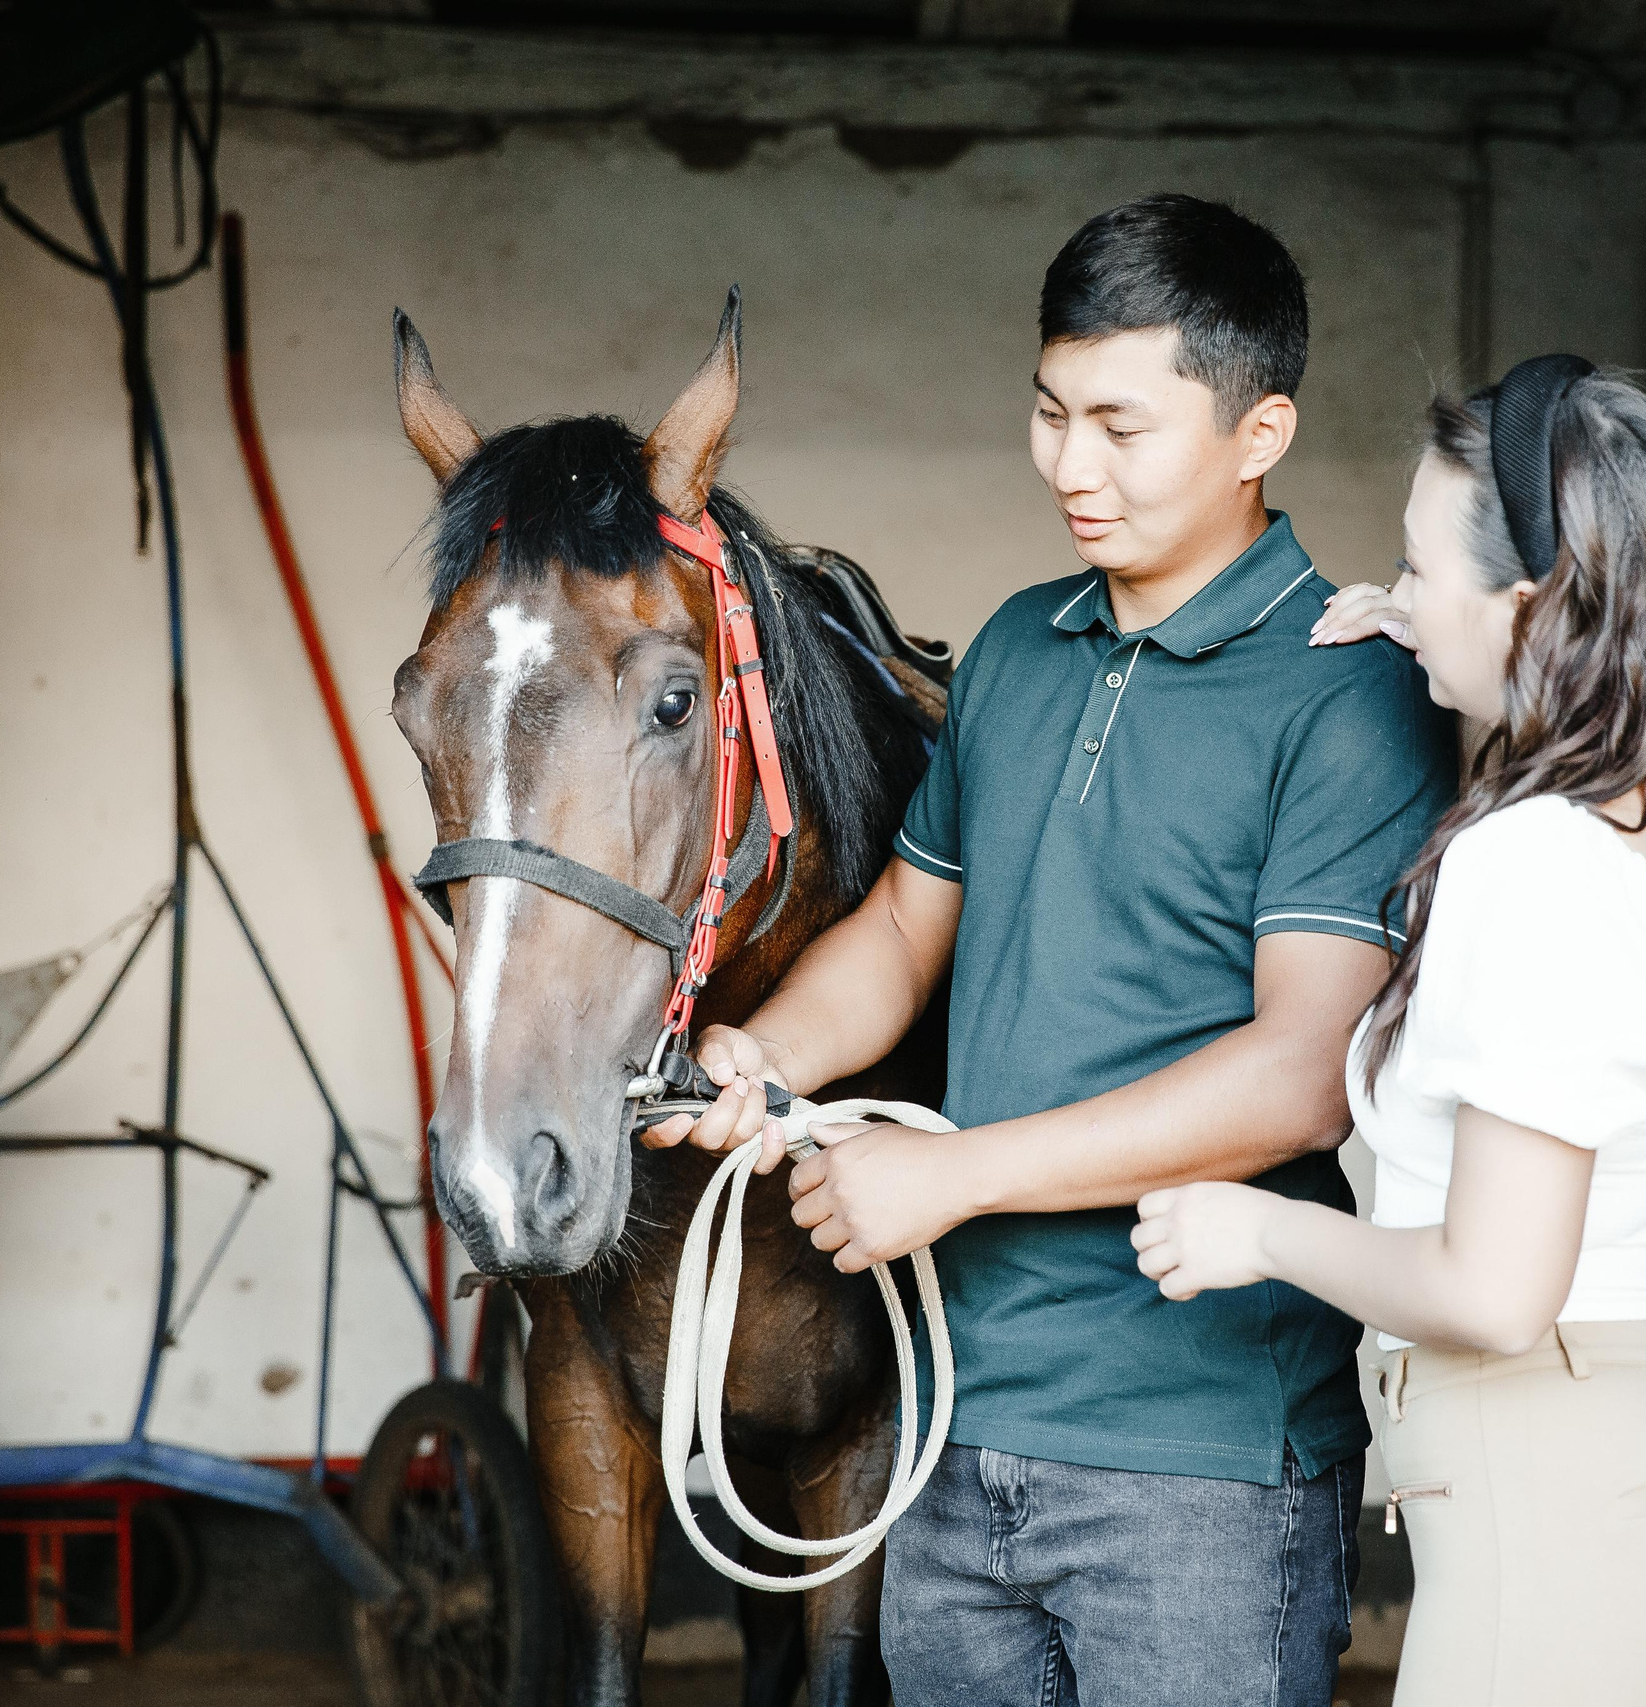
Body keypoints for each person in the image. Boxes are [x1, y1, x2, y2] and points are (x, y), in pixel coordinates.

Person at [644, 192, 1453, 1705]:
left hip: (1199, 1456)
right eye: (1047, 411)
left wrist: (960, 1173)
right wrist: (758, 1054)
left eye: (1121, 427)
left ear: (1258, 431)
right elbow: (899, 929)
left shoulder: (1346, 693)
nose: (1071, 467)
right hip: (955, 1428)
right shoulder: (1018, 646)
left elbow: (1303, 1074)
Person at [1131, 357, 1646, 1706]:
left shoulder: (1534, 863)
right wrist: (1442, 635)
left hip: (1566, 1544)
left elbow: (1496, 1294)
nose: (1390, 589)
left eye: (1415, 561)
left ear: (1531, 598)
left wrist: (1249, 1231)